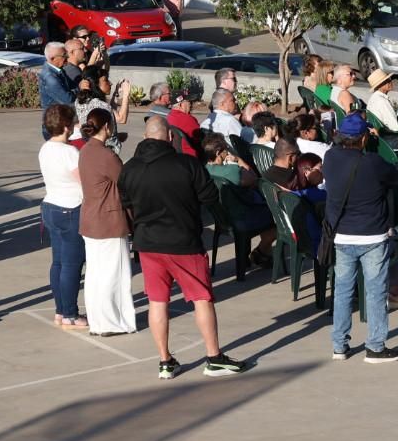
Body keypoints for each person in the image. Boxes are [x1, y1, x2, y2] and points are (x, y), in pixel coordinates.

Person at [118, 117, 249, 380]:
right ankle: (213, 357)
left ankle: (165, 361)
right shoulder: (187, 164)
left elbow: (126, 204)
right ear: (170, 137)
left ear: (145, 138)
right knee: (202, 298)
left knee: (158, 301)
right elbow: (210, 197)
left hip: (148, 243)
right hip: (184, 242)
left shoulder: (129, 168)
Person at [321, 113, 398, 363]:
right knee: (375, 292)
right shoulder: (372, 162)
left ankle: (339, 345)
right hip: (372, 235)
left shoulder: (330, 157)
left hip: (341, 235)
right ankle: (375, 347)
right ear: (363, 138)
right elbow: (394, 175)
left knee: (342, 291)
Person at [78, 108, 136, 335]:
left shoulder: (85, 151)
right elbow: (126, 182)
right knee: (114, 274)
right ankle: (113, 322)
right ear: (106, 127)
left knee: (95, 274)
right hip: (109, 221)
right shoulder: (106, 155)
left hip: (90, 219)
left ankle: (98, 321)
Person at [39, 104, 87, 330]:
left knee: (58, 262)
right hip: (70, 208)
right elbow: (83, 181)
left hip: (51, 206)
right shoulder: (70, 152)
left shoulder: (45, 148)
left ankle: (61, 310)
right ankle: (70, 314)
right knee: (72, 264)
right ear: (67, 127)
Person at [201, 132, 279, 268]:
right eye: (226, 149)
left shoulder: (204, 171)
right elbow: (254, 178)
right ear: (218, 152)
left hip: (222, 218)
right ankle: (260, 252)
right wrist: (238, 160)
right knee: (277, 219)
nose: (228, 151)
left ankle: (260, 256)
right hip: (241, 217)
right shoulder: (230, 170)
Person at [38, 41, 77, 132]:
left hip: (59, 122)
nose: (67, 57)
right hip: (55, 126)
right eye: (64, 55)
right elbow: (68, 100)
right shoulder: (50, 78)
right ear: (53, 58)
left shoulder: (57, 70)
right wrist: (79, 89)